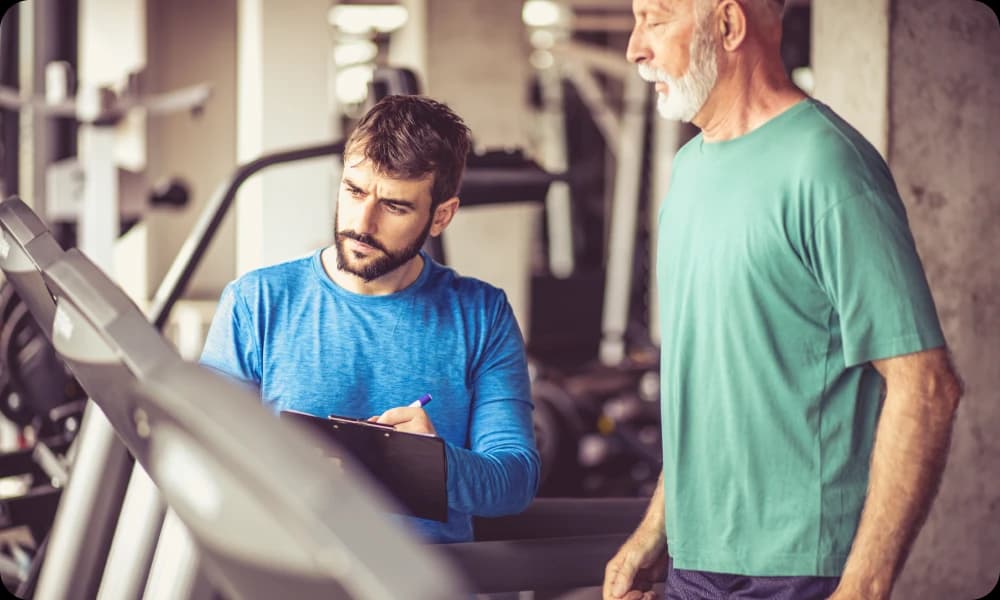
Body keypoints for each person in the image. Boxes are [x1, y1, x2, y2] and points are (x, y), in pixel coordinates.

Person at [604, 1, 962, 599]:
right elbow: (714, 387)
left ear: (729, 25)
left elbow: (926, 388)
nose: (634, 48)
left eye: (656, 19)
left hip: (797, 572)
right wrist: (657, 526)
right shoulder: (688, 171)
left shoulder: (827, 166)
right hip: (695, 562)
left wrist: (863, 588)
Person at [200, 94, 540, 543]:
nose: (362, 222)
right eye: (354, 191)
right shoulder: (256, 302)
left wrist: (430, 465)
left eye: (395, 206)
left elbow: (514, 480)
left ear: (441, 216)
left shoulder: (481, 314)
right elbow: (201, 456)